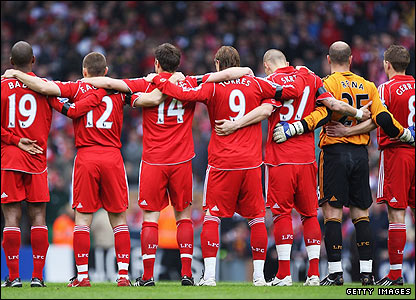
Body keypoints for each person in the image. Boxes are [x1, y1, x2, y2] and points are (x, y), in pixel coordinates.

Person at [82, 43, 253, 287]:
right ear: (178, 64)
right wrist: (246, 69)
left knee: (150, 217)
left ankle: (148, 276)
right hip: (182, 160)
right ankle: (186, 273)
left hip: (153, 160)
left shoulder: (147, 82)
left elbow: (109, 83)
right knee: (183, 215)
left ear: (157, 63)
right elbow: (229, 74)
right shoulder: (191, 82)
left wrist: (83, 81)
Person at [146, 45, 317, 286]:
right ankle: (259, 277)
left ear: (217, 64)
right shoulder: (256, 83)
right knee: (257, 218)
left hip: (222, 163)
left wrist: (158, 80)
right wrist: (302, 74)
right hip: (251, 163)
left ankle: (210, 276)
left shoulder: (212, 87)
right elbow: (284, 93)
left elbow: (182, 94)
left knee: (212, 217)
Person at [213, 49, 370, 287]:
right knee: (309, 215)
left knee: (281, 213)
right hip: (307, 159)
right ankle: (315, 274)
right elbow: (331, 105)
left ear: (266, 66)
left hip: (279, 157)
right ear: (286, 62)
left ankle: (284, 274)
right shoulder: (310, 76)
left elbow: (266, 110)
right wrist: (357, 112)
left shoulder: (270, 83)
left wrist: (236, 124)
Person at [274, 41, 414, 286]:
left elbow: (323, 113)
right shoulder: (369, 86)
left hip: (334, 151)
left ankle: (336, 273)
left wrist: (296, 128)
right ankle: (368, 275)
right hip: (360, 152)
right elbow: (380, 117)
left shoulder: (326, 83)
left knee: (332, 214)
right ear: (351, 60)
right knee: (362, 214)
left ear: (329, 59)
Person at [2, 52, 144, 287]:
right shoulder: (120, 89)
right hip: (112, 156)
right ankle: (122, 276)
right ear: (106, 71)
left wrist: (15, 74)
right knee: (119, 219)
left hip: (85, 156)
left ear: (84, 72)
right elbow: (146, 99)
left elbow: (48, 90)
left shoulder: (75, 87)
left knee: (82, 220)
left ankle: (82, 276)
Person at [1, 41, 103, 288]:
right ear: (33, 60)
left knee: (12, 218)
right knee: (38, 218)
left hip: (10, 159)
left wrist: (15, 139)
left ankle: (14, 278)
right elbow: (70, 110)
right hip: (37, 160)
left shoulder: (2, 87)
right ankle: (37, 277)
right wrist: (98, 96)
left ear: (12, 62)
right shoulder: (46, 88)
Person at [325, 45, 415, 286]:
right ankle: (369, 273)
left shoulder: (384, 88)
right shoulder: (400, 86)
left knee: (396, 215)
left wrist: (348, 130)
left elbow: (377, 120)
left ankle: (394, 276)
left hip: (396, 153)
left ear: (387, 64)